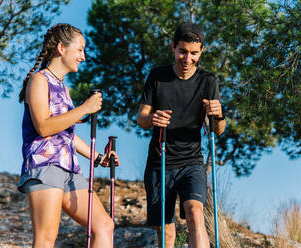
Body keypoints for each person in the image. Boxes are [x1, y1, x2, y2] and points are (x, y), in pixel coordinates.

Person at [17, 23, 119, 248]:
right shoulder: (39, 80)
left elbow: (67, 135)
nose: (83, 56)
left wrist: (97, 157)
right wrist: (84, 108)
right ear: (62, 48)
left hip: (70, 168)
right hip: (45, 165)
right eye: (80, 49)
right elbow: (43, 127)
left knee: (104, 226)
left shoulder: (63, 88)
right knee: (46, 238)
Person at [137, 22, 226, 247]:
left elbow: (217, 129)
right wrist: (153, 119)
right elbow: (142, 118)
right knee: (166, 234)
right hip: (160, 162)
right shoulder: (157, 77)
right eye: (182, 52)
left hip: (191, 162)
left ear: (201, 51)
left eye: (194, 53)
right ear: (173, 47)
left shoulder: (208, 81)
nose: (187, 59)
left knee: (195, 214)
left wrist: (219, 115)